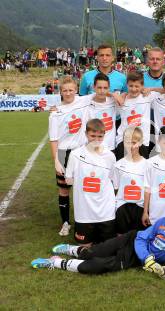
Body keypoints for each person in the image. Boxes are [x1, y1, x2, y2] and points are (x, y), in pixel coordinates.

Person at [31, 196, 165, 279]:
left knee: (97, 266)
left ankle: (55, 262)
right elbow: (141, 238)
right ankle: (71, 249)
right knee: (95, 251)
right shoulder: (163, 222)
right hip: (132, 240)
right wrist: (147, 258)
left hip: (133, 257)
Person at [64, 119, 117, 245]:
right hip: (84, 212)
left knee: (107, 249)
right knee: (85, 250)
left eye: (100, 136)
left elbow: (114, 182)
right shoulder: (75, 154)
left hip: (106, 212)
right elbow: (69, 181)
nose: (96, 139)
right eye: (93, 136)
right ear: (86, 134)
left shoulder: (110, 156)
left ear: (105, 135)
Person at [48, 77, 90, 236]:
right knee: (64, 190)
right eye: (65, 90)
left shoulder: (84, 101)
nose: (68, 93)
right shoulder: (55, 113)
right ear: (60, 92)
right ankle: (65, 222)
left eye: (71, 90)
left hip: (81, 152)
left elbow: (103, 93)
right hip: (64, 153)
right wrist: (56, 161)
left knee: (83, 188)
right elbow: (53, 139)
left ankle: (84, 220)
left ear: (76, 90)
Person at [113, 127, 149, 234]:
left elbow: (148, 190)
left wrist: (146, 211)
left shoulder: (147, 165)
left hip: (140, 207)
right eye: (127, 142)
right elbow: (116, 188)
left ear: (140, 142)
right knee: (121, 239)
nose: (131, 146)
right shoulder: (118, 165)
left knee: (138, 239)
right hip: (122, 207)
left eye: (134, 142)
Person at [114, 71, 153, 160]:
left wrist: (151, 89)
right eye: (131, 86)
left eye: (137, 86)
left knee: (140, 171)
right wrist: (116, 95)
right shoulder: (121, 99)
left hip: (142, 142)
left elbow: (164, 90)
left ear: (142, 86)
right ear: (127, 85)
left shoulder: (147, 97)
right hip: (123, 141)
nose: (133, 89)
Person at [85, 73, 118, 151]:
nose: (102, 91)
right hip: (93, 147)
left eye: (105, 88)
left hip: (111, 148)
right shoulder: (86, 104)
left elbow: (127, 98)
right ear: (94, 87)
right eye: (99, 87)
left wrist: (115, 95)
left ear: (109, 88)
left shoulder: (113, 101)